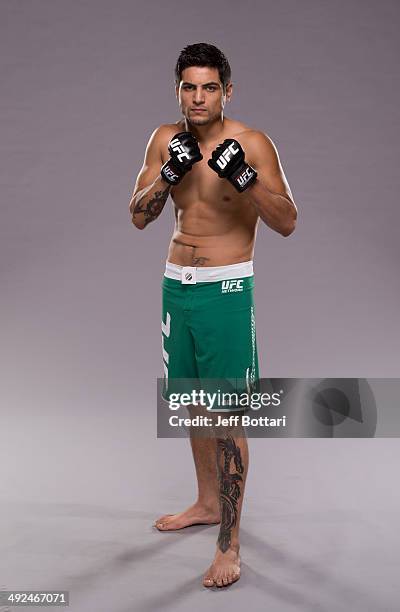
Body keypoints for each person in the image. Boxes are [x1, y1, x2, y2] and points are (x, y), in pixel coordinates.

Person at [129, 42, 297, 588]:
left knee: (225, 414)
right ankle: (205, 503)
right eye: (188, 87)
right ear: (177, 89)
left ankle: (230, 541)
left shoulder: (251, 142)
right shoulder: (164, 140)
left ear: (227, 90)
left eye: (209, 87)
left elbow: (288, 220)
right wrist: (166, 176)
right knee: (193, 404)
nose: (197, 98)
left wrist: (245, 179)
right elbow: (138, 216)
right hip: (177, 286)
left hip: (225, 289)